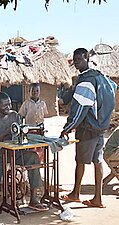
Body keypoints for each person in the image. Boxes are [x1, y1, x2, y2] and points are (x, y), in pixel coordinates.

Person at [0, 92, 47, 225]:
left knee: (33, 158)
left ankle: (34, 199)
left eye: (9, 104)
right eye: (4, 105)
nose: (8, 107)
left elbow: (18, 135)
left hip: (13, 152)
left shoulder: (15, 115)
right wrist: (5, 133)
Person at [60, 48, 118, 208]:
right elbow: (114, 87)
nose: (76, 63)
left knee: (80, 160)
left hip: (88, 128)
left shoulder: (86, 80)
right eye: (75, 60)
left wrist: (68, 128)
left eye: (79, 59)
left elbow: (80, 109)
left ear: (86, 58)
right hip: (101, 127)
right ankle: (97, 198)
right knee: (97, 161)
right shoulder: (102, 77)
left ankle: (75, 194)